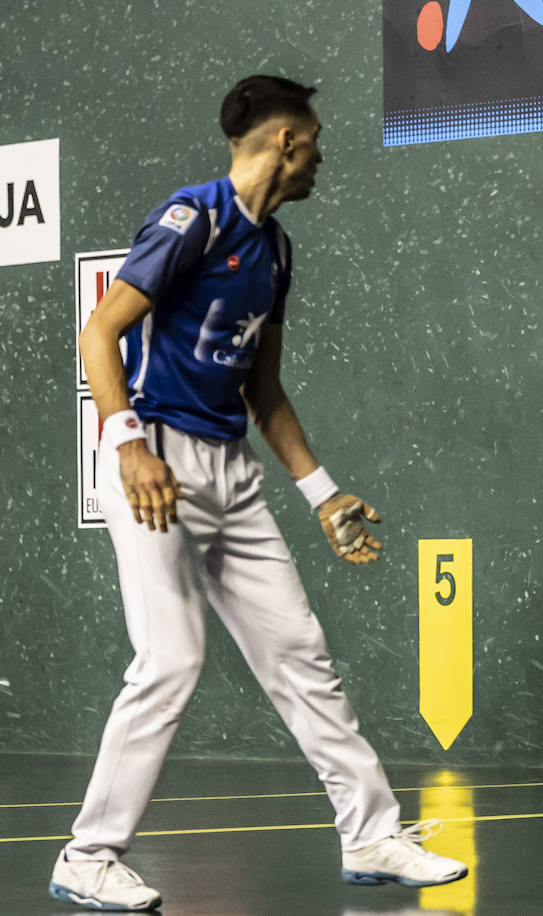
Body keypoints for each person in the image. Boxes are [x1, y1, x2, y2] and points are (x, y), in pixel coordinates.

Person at [52, 75, 467, 912]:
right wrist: (126, 445)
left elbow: (264, 393)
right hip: (157, 465)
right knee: (171, 659)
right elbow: (100, 332)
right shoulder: (192, 220)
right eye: (315, 141)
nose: (321, 158)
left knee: (300, 653)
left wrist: (322, 493)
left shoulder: (276, 252)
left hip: (230, 472)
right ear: (286, 141)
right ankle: (88, 855)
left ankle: (372, 834)